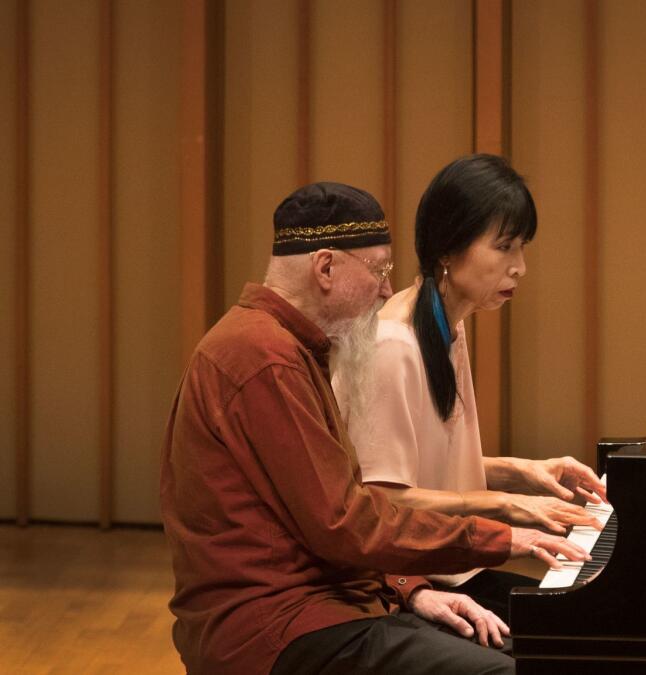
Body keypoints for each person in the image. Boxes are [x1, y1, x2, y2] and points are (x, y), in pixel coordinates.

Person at [160, 181, 586, 675]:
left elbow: (337, 511)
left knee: (525, 643)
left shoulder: (286, 347)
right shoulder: (263, 358)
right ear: (325, 268)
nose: (388, 288)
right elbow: (345, 522)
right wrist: (502, 537)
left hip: (334, 602)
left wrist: (411, 589)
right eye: (379, 270)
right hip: (276, 627)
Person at [332, 154, 607, 620]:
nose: (519, 267)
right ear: (447, 247)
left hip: (449, 567)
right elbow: (382, 500)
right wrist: (505, 504)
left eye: (522, 247)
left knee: (588, 622)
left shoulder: (446, 326)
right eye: (503, 247)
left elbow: (422, 468)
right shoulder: (394, 345)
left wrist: (522, 470)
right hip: (400, 588)